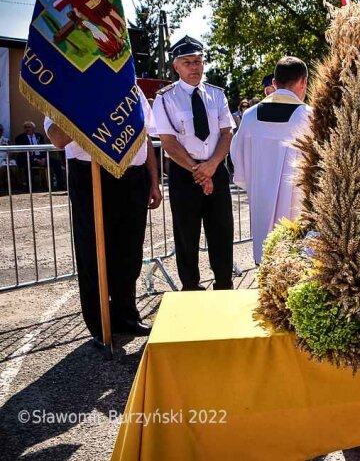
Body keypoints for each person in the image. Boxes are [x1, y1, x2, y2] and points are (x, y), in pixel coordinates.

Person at [45, 95, 162, 342]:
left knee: (130, 253)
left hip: (133, 176)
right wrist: (89, 104)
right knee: (94, 253)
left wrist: (153, 180)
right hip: (92, 175)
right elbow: (57, 138)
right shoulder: (69, 88)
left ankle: (126, 315)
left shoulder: (133, 89)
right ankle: (100, 325)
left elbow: (144, 139)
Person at [152, 35, 235, 291]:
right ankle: (190, 287)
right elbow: (168, 141)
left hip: (216, 169)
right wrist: (199, 171)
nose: (194, 67)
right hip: (184, 174)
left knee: (221, 231)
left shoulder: (216, 95)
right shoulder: (165, 98)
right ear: (176, 66)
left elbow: (226, 133)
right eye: (187, 62)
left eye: (198, 61)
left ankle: (224, 284)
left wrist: (211, 167)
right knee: (186, 234)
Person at [231, 57, 312, 264]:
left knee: (266, 258)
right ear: (303, 82)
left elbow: (237, 158)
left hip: (260, 200)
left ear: (274, 83)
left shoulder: (249, 117)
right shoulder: (309, 117)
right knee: (297, 259)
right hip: (298, 204)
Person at [15, 120, 65, 191]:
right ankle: (30, 188)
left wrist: (44, 158)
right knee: (27, 165)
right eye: (25, 127)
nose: (27, 129)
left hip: (41, 157)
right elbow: (23, 153)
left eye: (29, 127)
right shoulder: (20, 138)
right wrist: (35, 159)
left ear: (33, 128)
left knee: (56, 162)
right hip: (29, 159)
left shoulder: (39, 136)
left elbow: (43, 148)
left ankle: (60, 185)